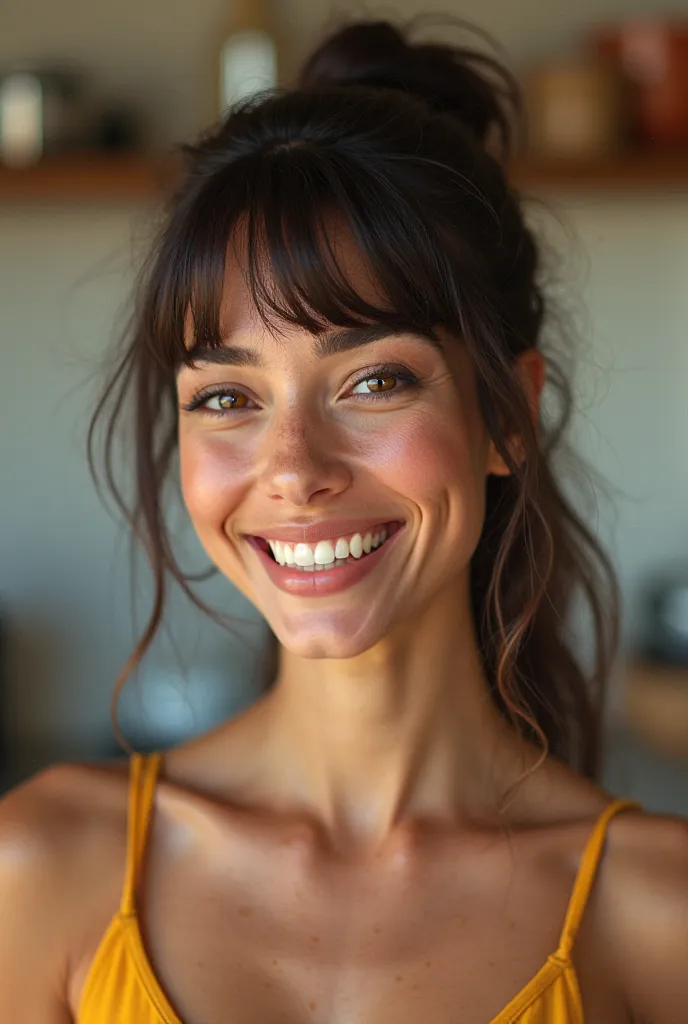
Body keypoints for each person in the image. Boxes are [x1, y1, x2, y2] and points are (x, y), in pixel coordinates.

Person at [1, 16, 687, 1024]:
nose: (294, 470)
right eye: (228, 398)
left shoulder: (656, 918)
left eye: (372, 380)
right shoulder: (41, 871)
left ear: (505, 414)